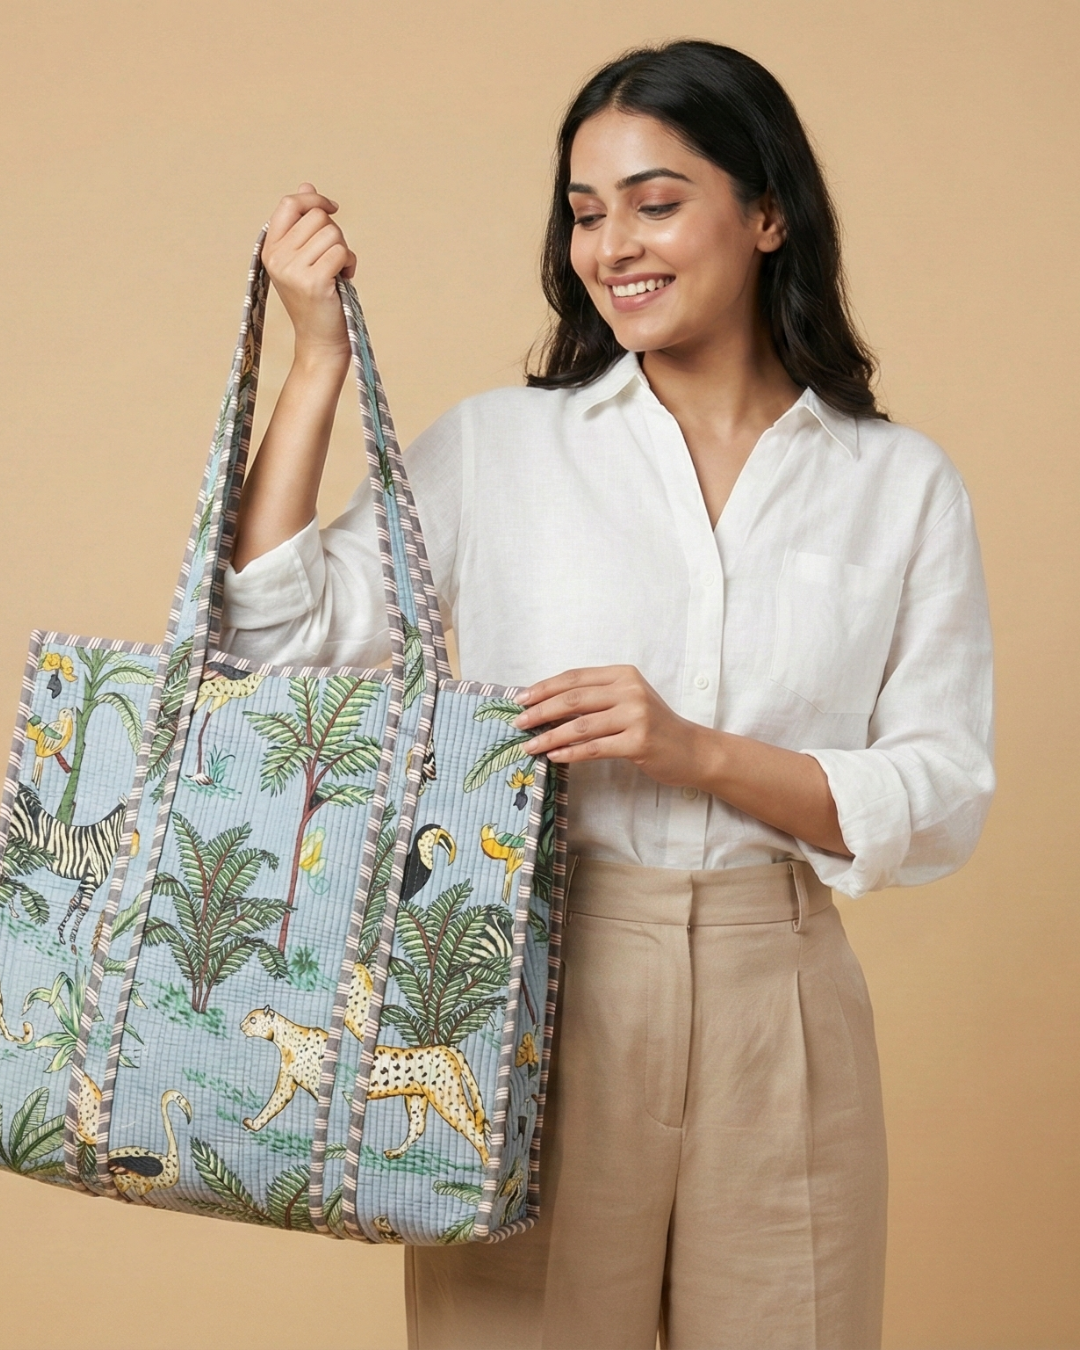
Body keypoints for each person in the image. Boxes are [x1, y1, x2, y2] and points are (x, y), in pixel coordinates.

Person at [222, 39, 994, 1350]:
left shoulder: (898, 482)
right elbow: (270, 640)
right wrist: (313, 367)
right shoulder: (499, 450)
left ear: (767, 213)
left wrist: (698, 750)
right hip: (530, 982)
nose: (612, 245)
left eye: (655, 201)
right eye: (586, 213)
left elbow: (943, 792)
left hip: (782, 1001)